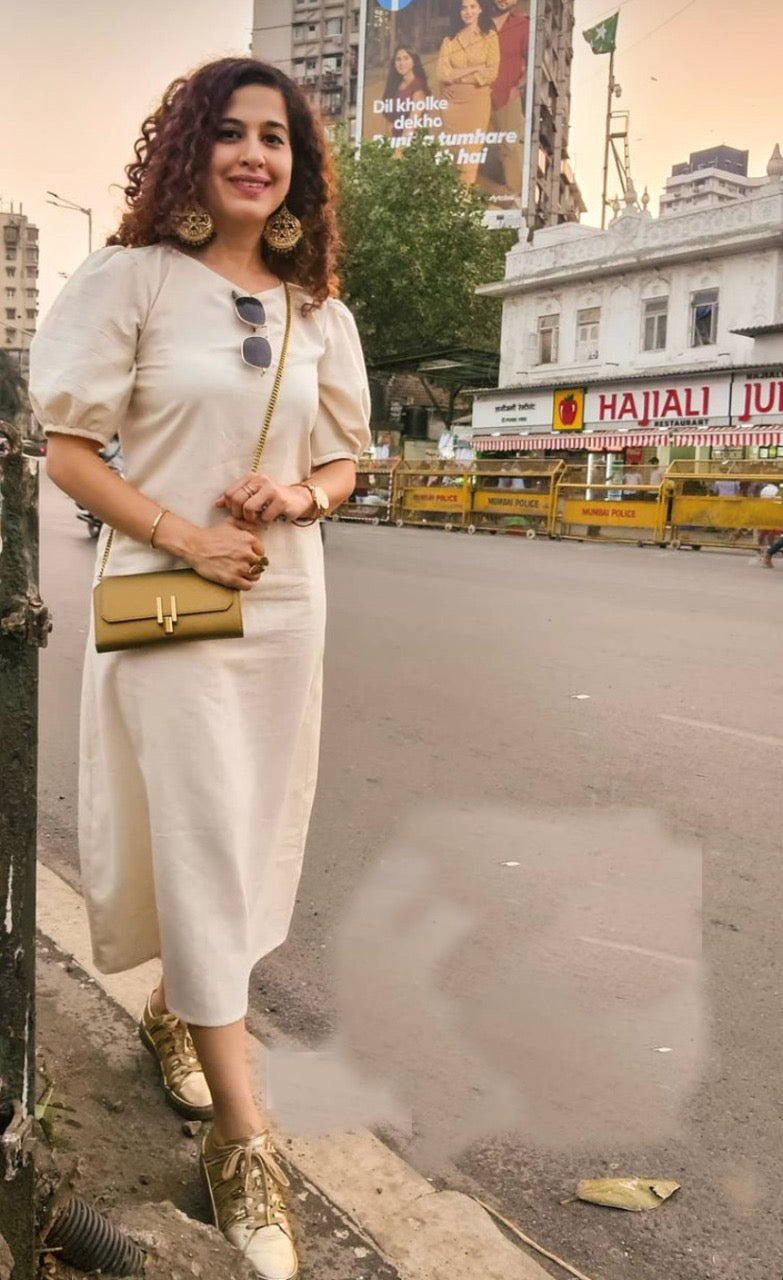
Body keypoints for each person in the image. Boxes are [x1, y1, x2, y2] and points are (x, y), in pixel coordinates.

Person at [29, 57, 371, 1280]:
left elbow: (344, 465)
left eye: (275, 138)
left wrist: (298, 491)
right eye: (228, 133)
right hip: (174, 595)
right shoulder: (127, 280)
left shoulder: (317, 314)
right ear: (189, 150)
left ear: (298, 168)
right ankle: (245, 1137)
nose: (254, 154)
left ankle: (181, 1004)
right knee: (201, 827)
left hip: (283, 604)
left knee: (242, 830)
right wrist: (184, 530)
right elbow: (67, 450)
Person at [437, 0, 500, 185]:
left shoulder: (489, 36)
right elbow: (442, 74)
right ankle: (451, 201)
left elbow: (491, 73)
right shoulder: (449, 40)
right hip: (451, 104)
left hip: (476, 102)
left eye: (472, 7)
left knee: (470, 154)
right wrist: (474, 69)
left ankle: (464, 202)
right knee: (453, 153)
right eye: (464, 8)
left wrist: (458, 78)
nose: (468, 12)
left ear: (480, 9)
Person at [483, 0, 529, 200]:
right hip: (478, 96)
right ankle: (466, 191)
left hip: (507, 97)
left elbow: (531, 61)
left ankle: (512, 196)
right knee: (467, 144)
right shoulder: (481, 21)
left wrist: (516, 88)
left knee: (510, 147)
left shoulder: (523, 24)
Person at [383, 46, 430, 141]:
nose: (401, 63)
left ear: (414, 61)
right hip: (393, 144)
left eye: (406, 58)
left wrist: (399, 150)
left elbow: (412, 124)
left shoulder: (418, 86)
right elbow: (389, 121)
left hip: (411, 145)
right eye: (398, 59)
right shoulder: (395, 86)